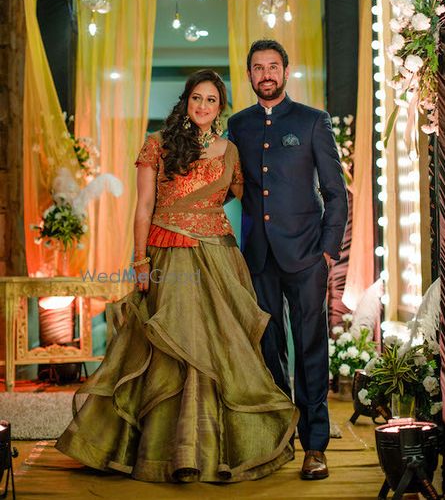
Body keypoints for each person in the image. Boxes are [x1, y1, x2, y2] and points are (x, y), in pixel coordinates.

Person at [56, 69, 298, 484]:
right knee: (168, 345)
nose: (203, 106)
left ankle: (209, 449)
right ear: (185, 101)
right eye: (197, 98)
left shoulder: (230, 151)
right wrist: (140, 260)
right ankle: (159, 449)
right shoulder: (158, 144)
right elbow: (143, 206)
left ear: (220, 109)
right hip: (168, 254)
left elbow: (257, 200)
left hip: (219, 257)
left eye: (211, 100)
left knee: (220, 345)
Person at [227, 40, 348, 481]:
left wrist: (329, 250)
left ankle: (315, 445)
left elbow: (336, 194)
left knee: (311, 348)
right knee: (268, 349)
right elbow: (226, 182)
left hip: (306, 255)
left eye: (272, 66)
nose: (266, 74)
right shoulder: (237, 125)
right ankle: (282, 436)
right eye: (257, 68)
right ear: (249, 75)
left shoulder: (313, 122)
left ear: (286, 71)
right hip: (258, 256)